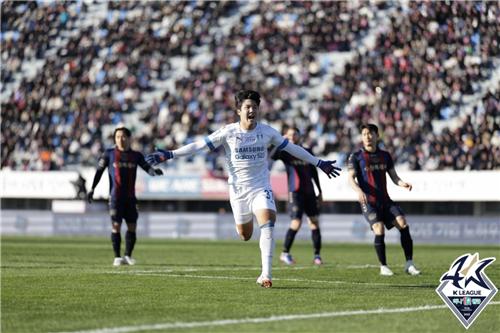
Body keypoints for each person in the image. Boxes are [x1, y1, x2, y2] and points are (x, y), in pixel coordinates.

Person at [147, 90, 341, 288]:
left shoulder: (267, 132)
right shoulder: (228, 132)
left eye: (255, 107)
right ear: (238, 110)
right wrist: (171, 154)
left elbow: (293, 148)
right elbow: (199, 146)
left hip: (261, 187)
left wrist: (319, 162)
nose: (251, 110)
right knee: (245, 235)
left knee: (268, 222)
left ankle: (266, 275)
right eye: (247, 107)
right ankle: (248, 233)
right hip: (238, 191)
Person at [347, 123, 420, 276]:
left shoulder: (385, 155)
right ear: (362, 137)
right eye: (365, 134)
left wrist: (402, 183)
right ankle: (383, 266)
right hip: (369, 203)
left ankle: (409, 264)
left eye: (371, 133)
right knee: (379, 229)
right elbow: (350, 178)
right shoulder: (356, 157)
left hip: (386, 201)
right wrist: (358, 190)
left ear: (377, 136)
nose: (368, 137)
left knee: (403, 223)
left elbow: (394, 176)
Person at [87, 127, 163, 266]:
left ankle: (127, 256)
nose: (120, 139)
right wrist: (92, 188)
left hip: (131, 198)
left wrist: (154, 172)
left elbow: (147, 168)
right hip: (115, 197)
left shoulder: (136, 155)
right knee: (116, 225)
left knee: (132, 226)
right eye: (117, 137)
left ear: (129, 138)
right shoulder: (109, 154)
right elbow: (99, 172)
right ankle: (117, 257)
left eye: (122, 136)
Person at [270, 127, 324, 265]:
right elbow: (272, 156)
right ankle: (285, 253)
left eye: (294, 134)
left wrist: (319, 191)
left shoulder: (307, 151)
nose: (292, 136)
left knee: (314, 222)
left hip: (310, 192)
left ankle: (317, 256)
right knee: (296, 222)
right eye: (289, 135)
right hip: (295, 192)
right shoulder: (286, 152)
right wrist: (281, 141)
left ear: (300, 136)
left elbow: (314, 172)